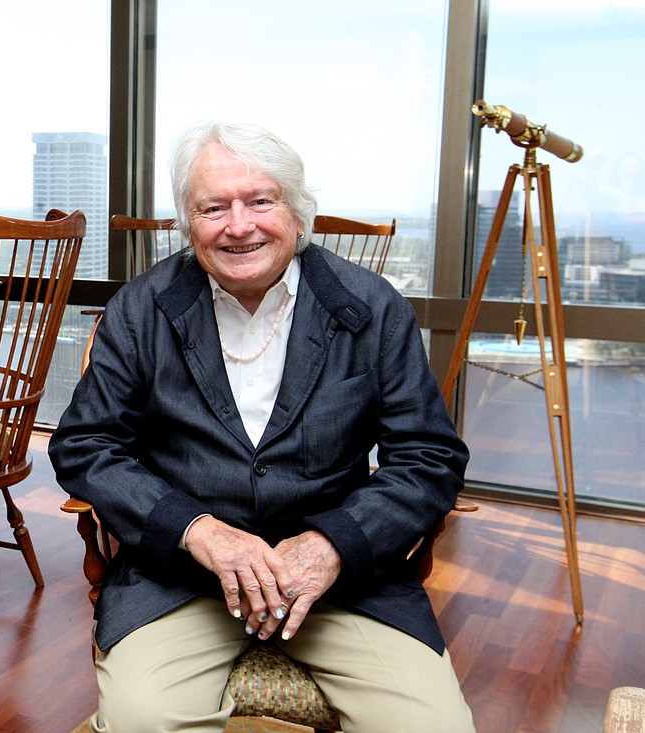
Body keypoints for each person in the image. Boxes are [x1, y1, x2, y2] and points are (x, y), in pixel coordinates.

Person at [49, 121, 475, 733]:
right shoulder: (141, 308)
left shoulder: (372, 307)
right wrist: (199, 532)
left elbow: (429, 458)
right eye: (213, 207)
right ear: (188, 223)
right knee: (143, 722)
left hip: (340, 582)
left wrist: (332, 545)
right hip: (182, 579)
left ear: (298, 214)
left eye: (260, 201)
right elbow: (85, 447)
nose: (239, 224)